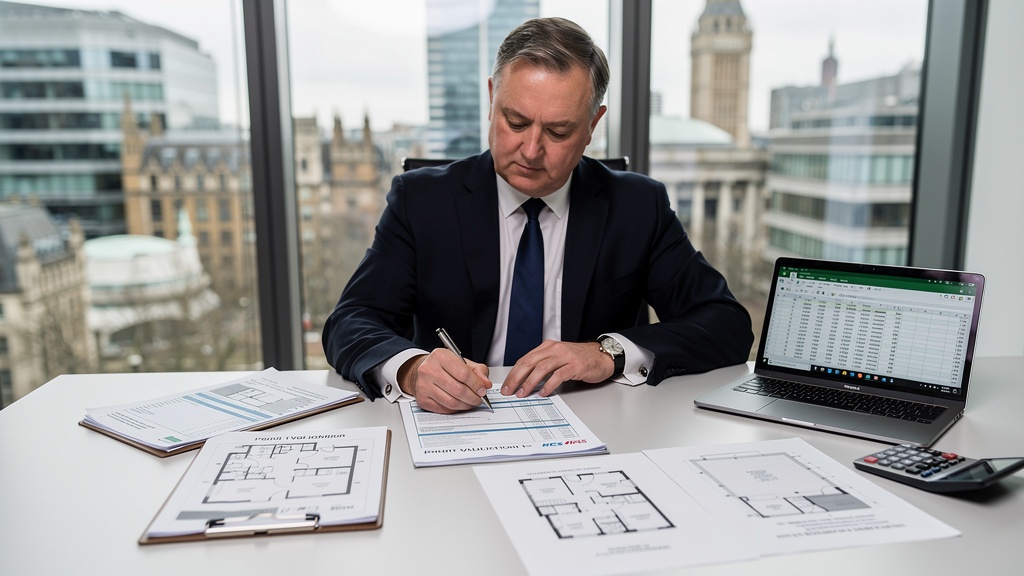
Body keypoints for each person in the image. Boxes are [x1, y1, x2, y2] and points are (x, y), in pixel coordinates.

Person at [322, 17, 753, 414]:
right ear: (492, 100)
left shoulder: (638, 206)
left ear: (592, 126)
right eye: (515, 121)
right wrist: (412, 370)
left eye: (558, 131)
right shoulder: (422, 200)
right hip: (457, 425)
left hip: (597, 425)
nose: (531, 150)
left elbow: (726, 325)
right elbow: (351, 321)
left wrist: (609, 353)